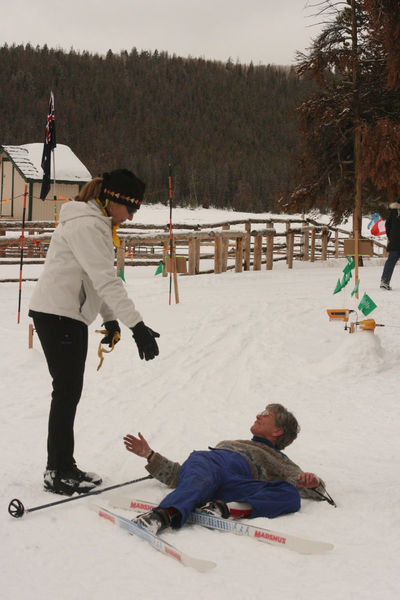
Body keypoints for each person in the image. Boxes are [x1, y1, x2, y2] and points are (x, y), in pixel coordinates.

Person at [29, 169, 160, 496]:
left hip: (65, 315)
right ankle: (56, 470)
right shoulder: (88, 225)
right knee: (66, 392)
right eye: (131, 209)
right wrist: (137, 327)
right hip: (59, 315)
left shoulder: (95, 222)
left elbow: (92, 278)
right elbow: (105, 280)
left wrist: (111, 319)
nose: (130, 217)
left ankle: (63, 465)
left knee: (68, 392)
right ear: (114, 200)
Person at [123, 403, 327, 534]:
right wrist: (150, 455)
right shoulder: (230, 443)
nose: (258, 414)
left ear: (277, 430)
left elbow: (301, 482)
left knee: (290, 494)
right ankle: (160, 516)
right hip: (210, 466)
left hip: (232, 487)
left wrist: (313, 482)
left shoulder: (279, 460)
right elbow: (180, 476)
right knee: (200, 478)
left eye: (266, 414)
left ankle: (223, 509)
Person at [380, 199, 400, 290]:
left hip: (394, 242)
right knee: (391, 261)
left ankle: (384, 281)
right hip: (395, 241)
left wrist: (391, 237)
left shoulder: (393, 212)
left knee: (390, 261)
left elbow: (387, 225)